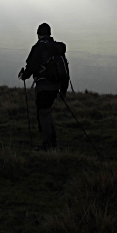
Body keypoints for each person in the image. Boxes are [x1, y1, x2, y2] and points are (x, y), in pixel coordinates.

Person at [18, 23, 69, 151]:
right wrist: (63, 90)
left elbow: (31, 65)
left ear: (38, 34)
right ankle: (52, 143)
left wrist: (24, 75)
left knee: (43, 113)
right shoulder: (57, 48)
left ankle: (47, 146)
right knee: (47, 112)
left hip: (44, 86)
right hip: (56, 86)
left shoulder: (39, 47)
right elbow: (64, 70)